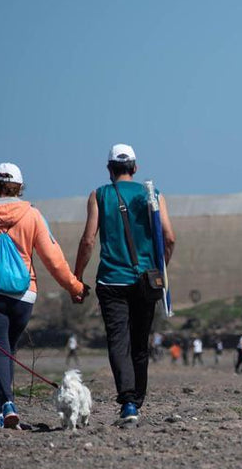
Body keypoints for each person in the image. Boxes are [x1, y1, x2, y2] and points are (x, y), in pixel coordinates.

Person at [0, 162, 88, 428]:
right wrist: (75, 287)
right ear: (20, 187)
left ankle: (7, 404)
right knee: (7, 350)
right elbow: (53, 258)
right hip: (22, 296)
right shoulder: (32, 215)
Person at [74, 144, 175, 425]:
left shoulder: (99, 195)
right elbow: (169, 238)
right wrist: (161, 266)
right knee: (140, 344)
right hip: (147, 279)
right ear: (135, 167)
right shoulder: (153, 194)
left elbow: (88, 241)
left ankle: (128, 403)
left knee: (119, 342)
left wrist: (77, 276)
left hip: (111, 280)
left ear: (109, 169)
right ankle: (136, 403)